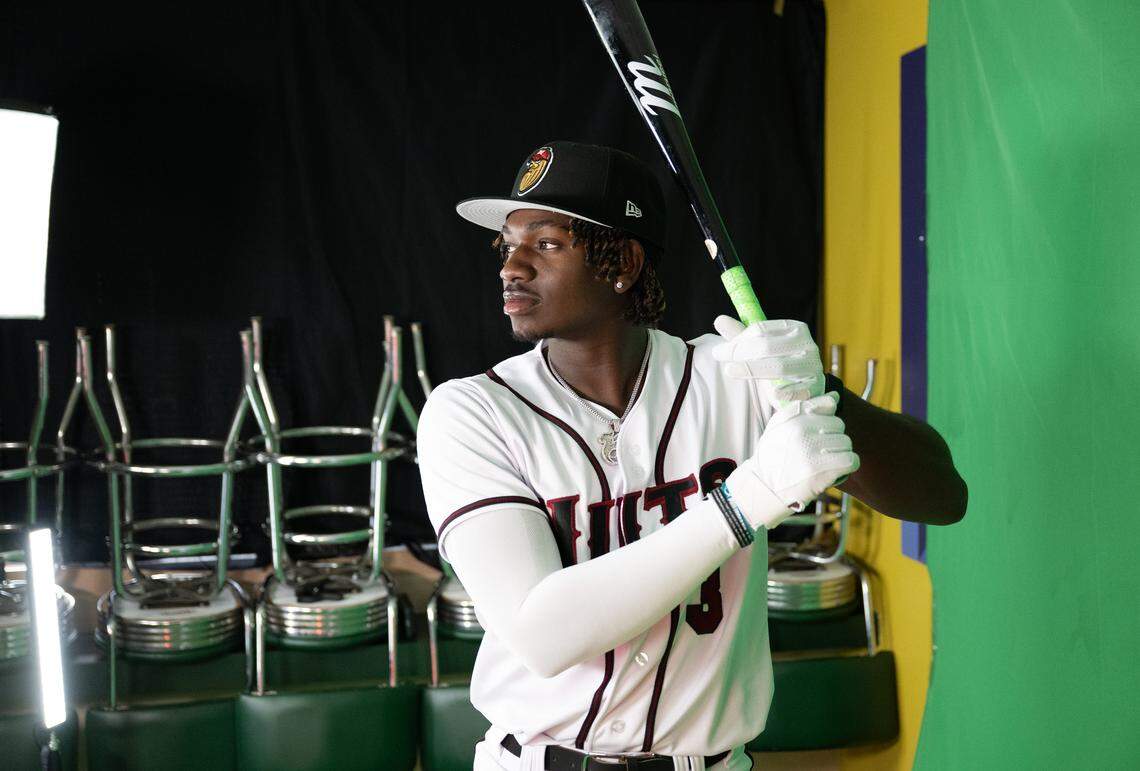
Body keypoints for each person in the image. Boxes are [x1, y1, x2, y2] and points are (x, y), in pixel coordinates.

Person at [417, 141, 966, 770]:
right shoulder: (471, 412)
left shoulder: (732, 375)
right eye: (507, 247)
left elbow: (942, 497)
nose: (511, 267)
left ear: (619, 262)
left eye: (544, 244)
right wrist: (746, 499)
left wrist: (823, 396)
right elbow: (544, 634)